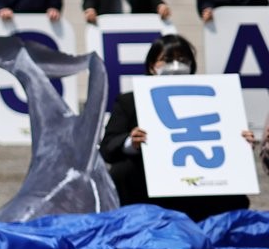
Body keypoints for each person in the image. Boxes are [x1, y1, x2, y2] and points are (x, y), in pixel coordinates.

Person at [99, 34, 255, 222]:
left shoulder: (213, 98)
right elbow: (107, 147)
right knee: (121, 171)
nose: (176, 65)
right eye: (167, 60)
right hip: (149, 187)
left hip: (203, 185)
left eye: (182, 60)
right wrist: (131, 142)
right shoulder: (129, 101)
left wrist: (240, 141)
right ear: (151, 66)